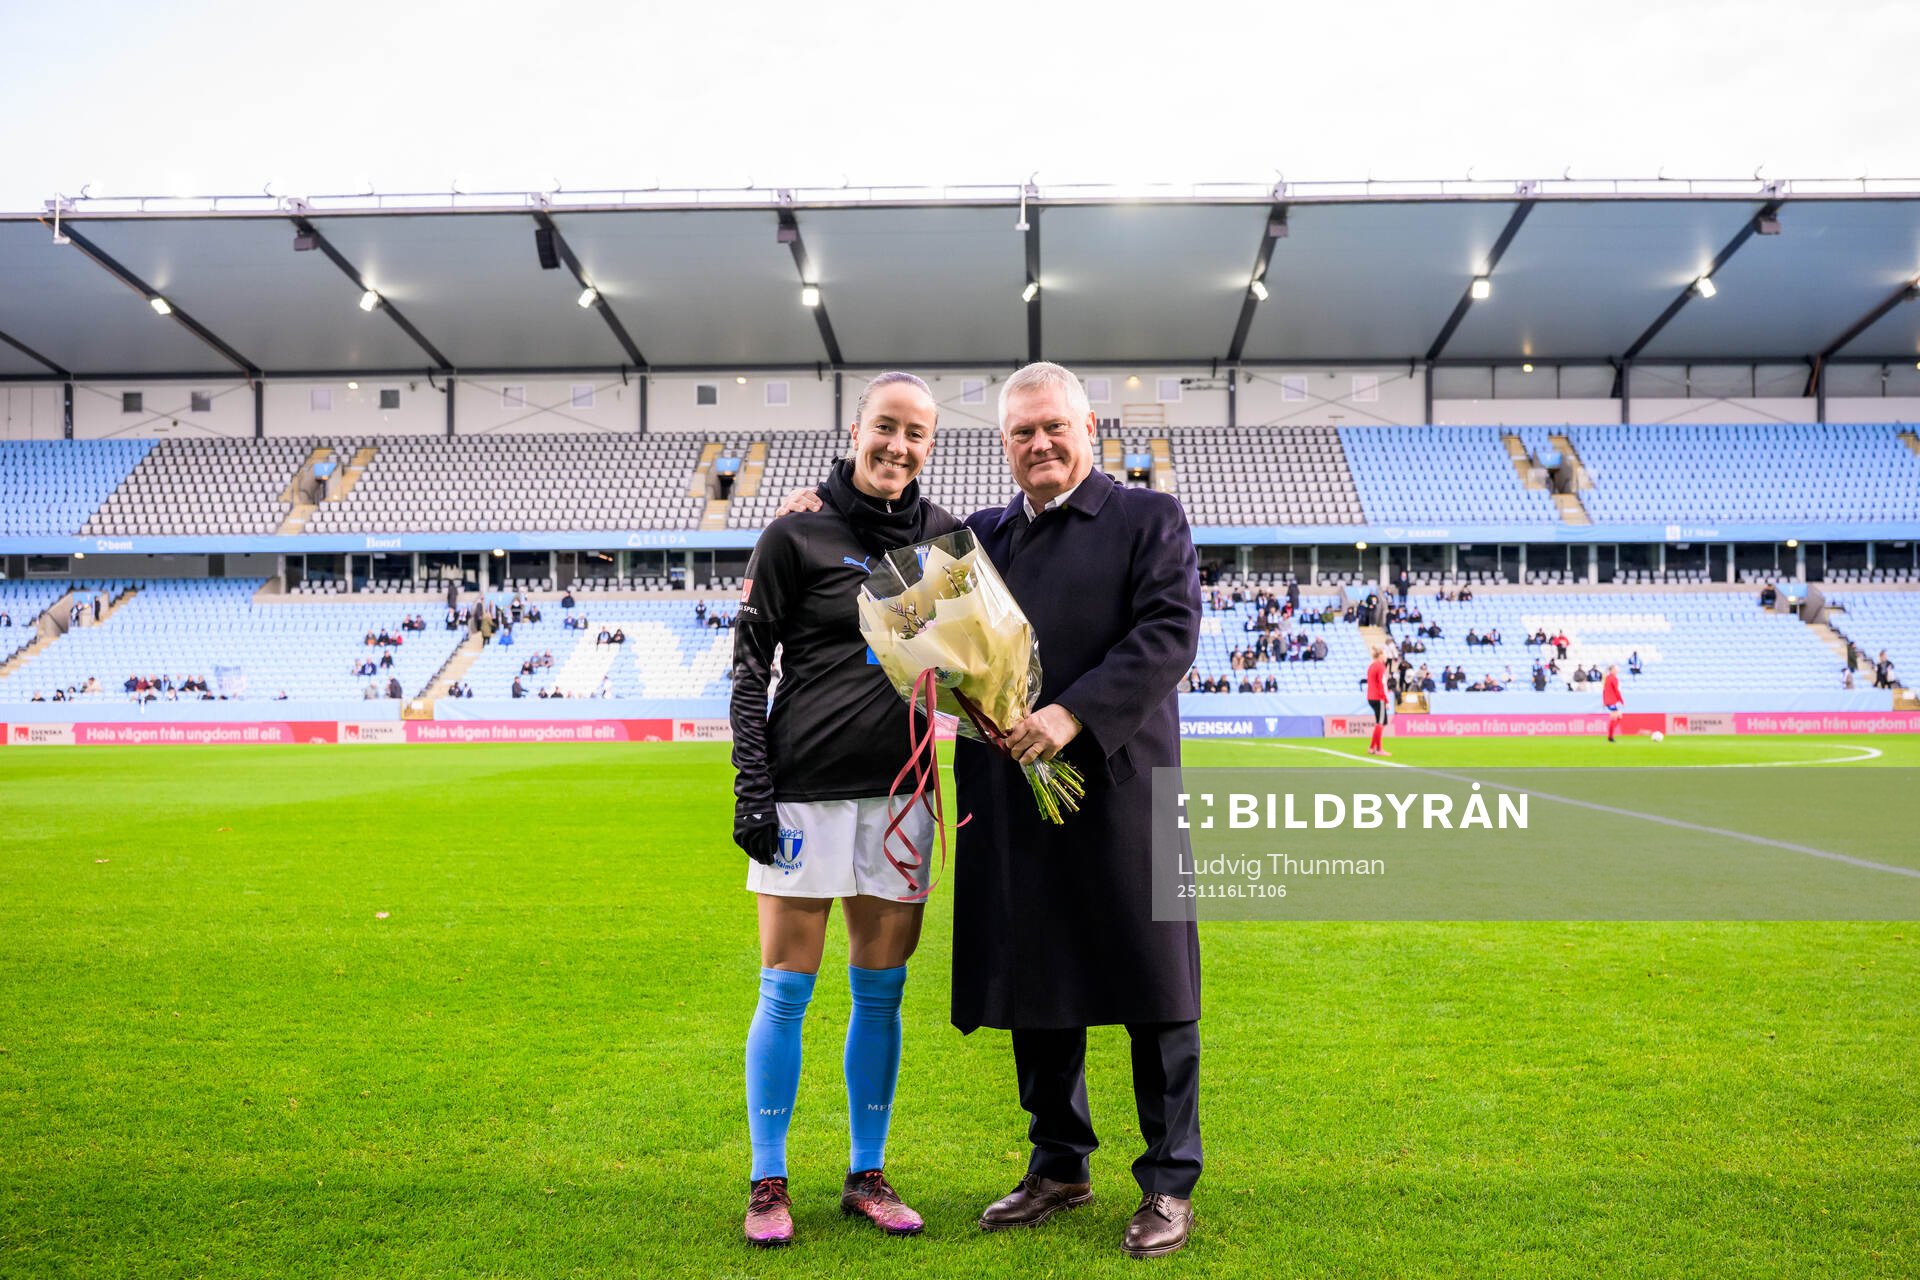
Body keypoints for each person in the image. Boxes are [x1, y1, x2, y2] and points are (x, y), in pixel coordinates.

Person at [773, 364, 1207, 1257]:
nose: (1040, 445)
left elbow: (1168, 634)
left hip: (1122, 787)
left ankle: (1168, 1180)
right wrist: (809, 508)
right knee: (1039, 975)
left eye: (1054, 427)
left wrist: (1069, 714)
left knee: (1155, 987)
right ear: (1002, 444)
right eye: (1021, 433)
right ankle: (1059, 1163)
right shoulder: (978, 540)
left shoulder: (1147, 519)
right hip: (1013, 792)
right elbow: (885, 556)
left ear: (1088, 427)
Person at [731, 372, 960, 1248]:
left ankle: (866, 1172)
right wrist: (752, 789)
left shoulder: (947, 541)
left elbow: (980, 655)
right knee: (785, 993)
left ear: (930, 444)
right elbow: (750, 673)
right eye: (885, 427)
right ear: (856, 429)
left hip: (902, 799)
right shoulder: (793, 534)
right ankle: (767, 1179)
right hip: (802, 796)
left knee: (882, 993)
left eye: (917, 434)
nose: (898, 446)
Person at [1601, 663, 1624, 743]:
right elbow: (1616, 691)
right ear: (1611, 670)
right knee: (1614, 717)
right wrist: (1621, 700)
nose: (1616, 670)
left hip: (1608, 701)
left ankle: (1611, 734)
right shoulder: (1614, 679)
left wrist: (1604, 702)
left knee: (1619, 716)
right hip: (1612, 701)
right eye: (1615, 669)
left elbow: (1604, 691)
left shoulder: (1606, 678)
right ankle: (1610, 736)